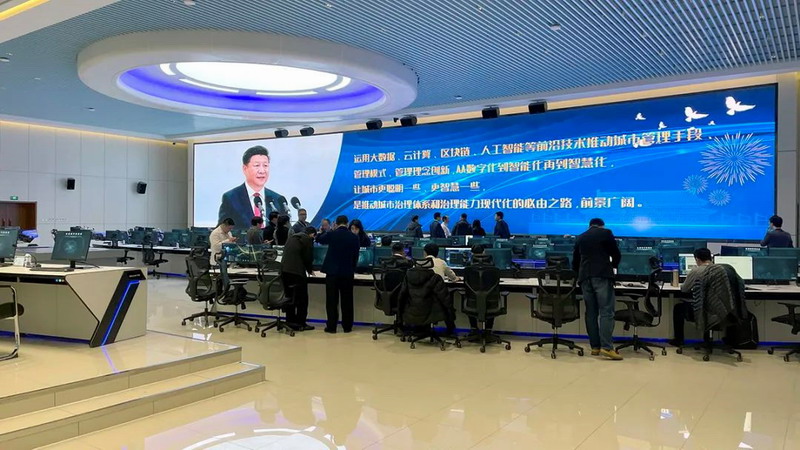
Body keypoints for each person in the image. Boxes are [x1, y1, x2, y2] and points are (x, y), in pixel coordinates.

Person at [572, 218, 623, 360]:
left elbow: (575, 261)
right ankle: (607, 347)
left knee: (591, 313)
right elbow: (616, 253)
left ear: (589, 226)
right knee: (606, 312)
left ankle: (595, 347)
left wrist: (578, 274)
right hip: (602, 275)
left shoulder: (580, 237)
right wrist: (613, 267)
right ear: (602, 225)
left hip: (585, 278)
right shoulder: (606, 233)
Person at [218, 145, 288, 226]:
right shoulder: (231, 198)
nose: (262, 171)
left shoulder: (278, 199)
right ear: (245, 168)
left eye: (265, 165)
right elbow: (222, 229)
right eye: (257, 165)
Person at [318, 215, 361, 333]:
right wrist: (352, 268)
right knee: (347, 300)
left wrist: (327, 230)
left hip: (332, 273)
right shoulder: (354, 237)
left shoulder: (332, 234)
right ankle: (347, 326)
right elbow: (356, 255)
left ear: (336, 224)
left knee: (331, 301)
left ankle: (331, 326)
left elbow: (319, 239)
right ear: (347, 224)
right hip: (347, 272)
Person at [669, 248, 713, 347]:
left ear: (697, 259)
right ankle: (707, 340)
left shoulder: (697, 270)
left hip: (699, 310)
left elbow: (685, 289)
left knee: (678, 308)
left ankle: (679, 340)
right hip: (718, 310)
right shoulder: (720, 270)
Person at [281, 226, 317, 331]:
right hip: (296, 272)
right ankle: (301, 323)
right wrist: (310, 270)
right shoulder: (307, 239)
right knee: (302, 299)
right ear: (312, 234)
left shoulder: (292, 237)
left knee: (289, 298)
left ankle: (290, 322)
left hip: (284, 271)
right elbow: (308, 257)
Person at [466, 244, 497, 333]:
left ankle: (473, 329)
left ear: (472, 253)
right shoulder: (491, 265)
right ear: (484, 252)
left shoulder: (469, 266)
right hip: (490, 300)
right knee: (491, 300)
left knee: (469, 300)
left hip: (473, 299)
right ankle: (488, 330)